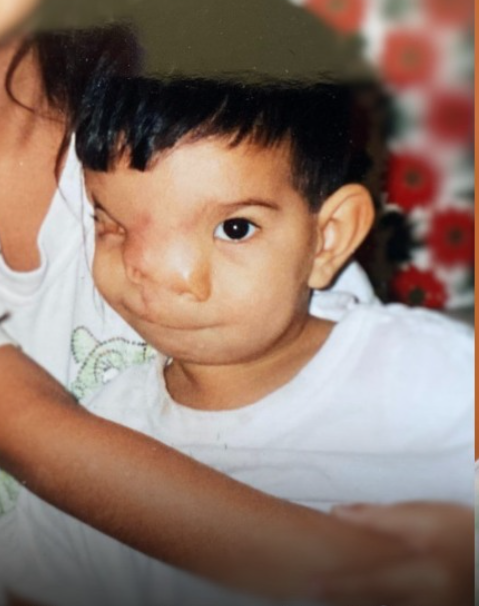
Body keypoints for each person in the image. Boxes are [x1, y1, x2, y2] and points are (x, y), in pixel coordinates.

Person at [0, 2, 473, 605]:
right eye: (111, 223)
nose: (160, 273)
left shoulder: (420, 371)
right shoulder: (112, 415)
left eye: (234, 229)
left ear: (328, 238)